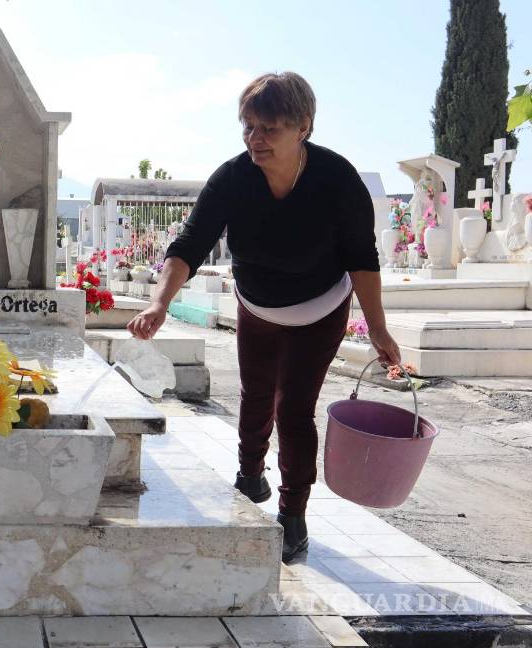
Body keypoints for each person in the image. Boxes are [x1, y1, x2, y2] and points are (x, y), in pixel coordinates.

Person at [127, 72, 402, 563]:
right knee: (255, 397)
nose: (255, 140)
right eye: (248, 127)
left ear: (304, 126)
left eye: (268, 129)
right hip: (257, 306)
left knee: (295, 409)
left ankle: (293, 514)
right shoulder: (232, 178)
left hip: (320, 311)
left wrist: (378, 328)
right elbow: (188, 245)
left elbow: (362, 257)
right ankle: (249, 474)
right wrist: (160, 302)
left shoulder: (338, 181)